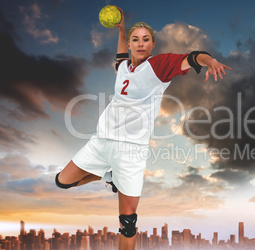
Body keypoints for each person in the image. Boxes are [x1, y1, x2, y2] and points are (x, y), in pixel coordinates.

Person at [55, 6, 231, 250]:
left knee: (128, 222)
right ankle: (109, 175)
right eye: (135, 40)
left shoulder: (159, 66)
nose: (140, 44)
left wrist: (209, 60)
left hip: (131, 151)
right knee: (62, 182)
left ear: (152, 45)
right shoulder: (124, 67)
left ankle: (114, 175)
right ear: (130, 44)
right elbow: (119, 56)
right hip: (101, 141)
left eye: (145, 40)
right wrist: (121, 30)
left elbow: (192, 57)